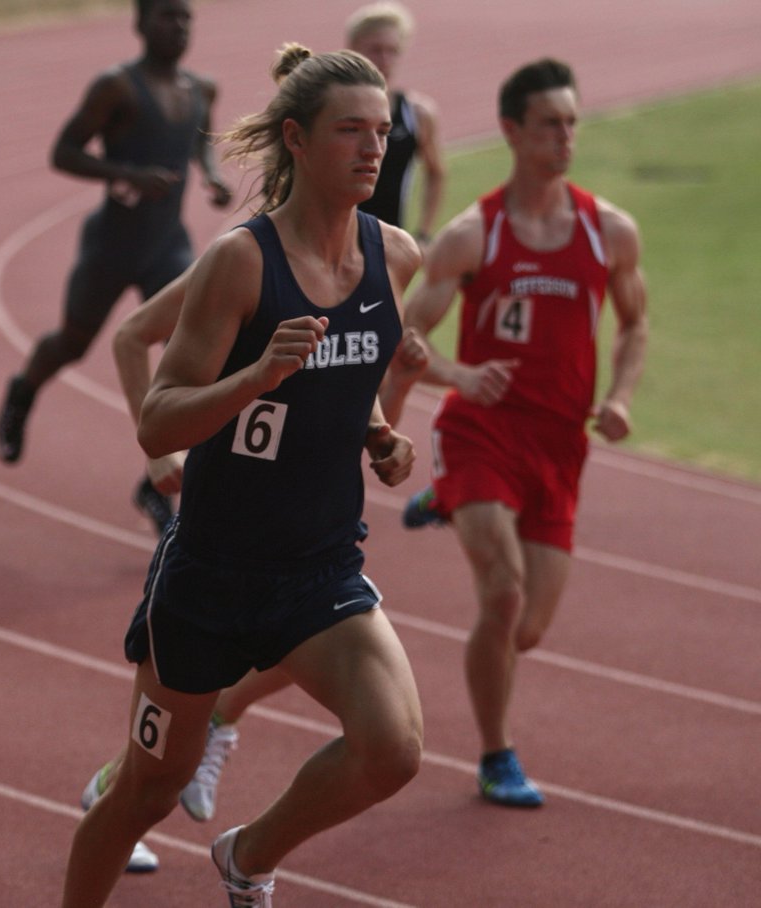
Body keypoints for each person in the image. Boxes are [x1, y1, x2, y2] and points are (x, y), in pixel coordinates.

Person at [62, 44, 424, 907]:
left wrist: (379, 435)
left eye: (381, 131)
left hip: (321, 571)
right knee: (144, 791)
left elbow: (351, 377)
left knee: (394, 750)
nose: (373, 149)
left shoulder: (395, 256)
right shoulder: (241, 262)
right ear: (296, 140)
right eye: (350, 132)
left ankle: (249, 855)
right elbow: (161, 417)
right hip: (211, 580)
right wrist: (255, 379)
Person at [400, 58, 649, 807]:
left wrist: (622, 397)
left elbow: (636, 325)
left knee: (530, 630)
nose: (566, 136)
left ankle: (444, 499)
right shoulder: (473, 235)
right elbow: (406, 336)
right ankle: (495, 754)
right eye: (550, 123)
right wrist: (459, 378)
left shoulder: (609, 231)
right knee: (501, 597)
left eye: (572, 122)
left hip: (560, 446)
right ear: (512, 130)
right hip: (482, 431)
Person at [0, 0, 233, 536]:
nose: (179, 26)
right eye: (167, 16)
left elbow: (200, 141)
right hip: (112, 246)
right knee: (73, 343)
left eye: (186, 17)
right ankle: (23, 390)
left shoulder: (201, 89)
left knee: (195, 354)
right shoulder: (116, 87)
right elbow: (64, 151)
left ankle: (155, 481)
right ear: (140, 23)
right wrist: (127, 173)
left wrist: (213, 177)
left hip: (168, 245)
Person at [347, 2, 445, 243]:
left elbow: (436, 173)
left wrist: (423, 234)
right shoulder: (331, 111)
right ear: (353, 49)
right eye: (375, 49)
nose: (384, 59)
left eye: (392, 51)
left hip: (386, 246)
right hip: (330, 245)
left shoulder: (417, 114)